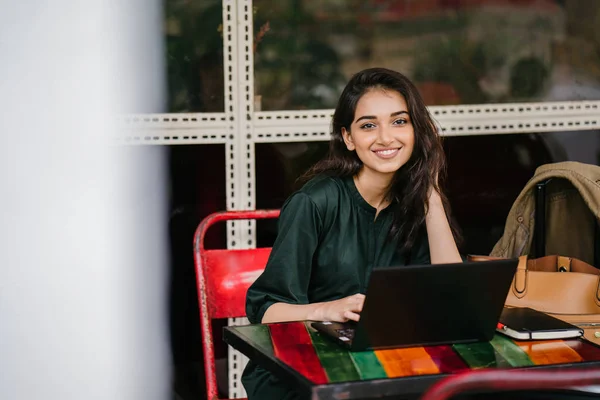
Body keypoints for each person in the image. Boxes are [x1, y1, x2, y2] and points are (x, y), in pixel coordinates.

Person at [242, 67, 463, 400]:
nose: (386, 138)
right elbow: (265, 309)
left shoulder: (416, 204)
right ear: (348, 138)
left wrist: (430, 189)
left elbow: (453, 297)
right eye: (368, 125)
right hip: (299, 373)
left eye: (400, 122)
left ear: (418, 131)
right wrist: (325, 309)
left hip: (382, 368)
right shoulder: (315, 201)